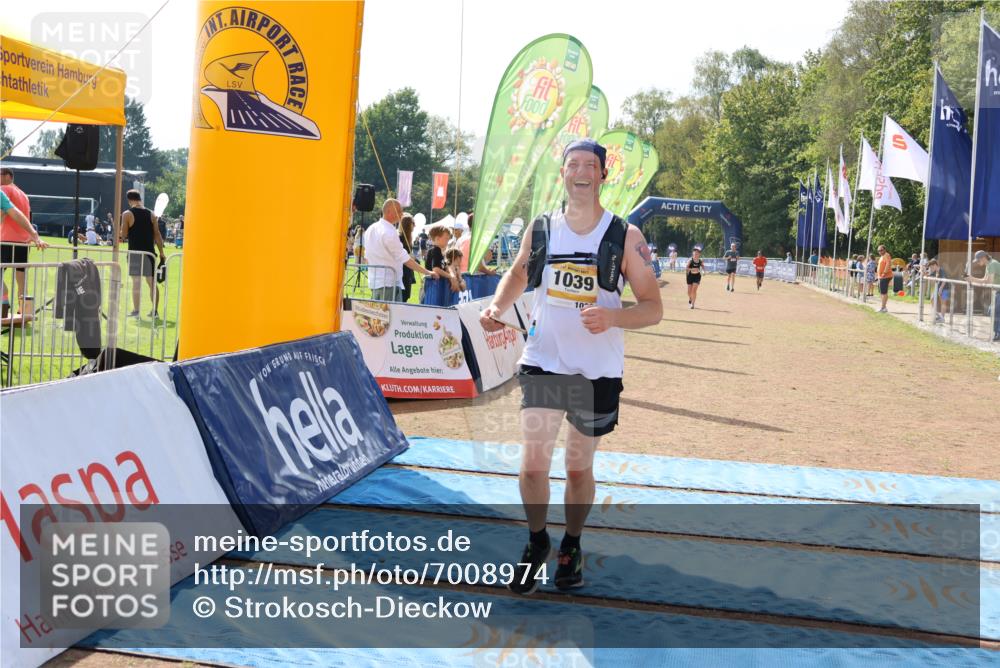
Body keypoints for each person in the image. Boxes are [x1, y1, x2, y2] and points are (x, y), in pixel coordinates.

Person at [479, 138, 662, 594]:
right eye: (573, 164)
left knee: (578, 469)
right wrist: (498, 307)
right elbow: (520, 272)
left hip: (596, 372)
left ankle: (572, 545)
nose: (581, 171)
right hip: (543, 362)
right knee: (533, 466)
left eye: (590, 165)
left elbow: (653, 307)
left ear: (603, 175)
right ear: (563, 173)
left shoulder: (625, 236)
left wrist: (615, 317)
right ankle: (537, 539)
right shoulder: (541, 229)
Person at [362, 199, 432, 301]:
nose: (401, 214)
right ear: (389, 211)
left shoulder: (371, 228)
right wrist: (427, 272)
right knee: (391, 316)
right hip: (389, 284)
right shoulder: (389, 232)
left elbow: (367, 257)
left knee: (378, 316)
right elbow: (405, 259)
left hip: (374, 282)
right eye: (399, 211)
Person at [1, 168, 47, 311]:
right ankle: (23, 312)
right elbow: (24, 215)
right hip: (23, 242)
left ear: (8, 176)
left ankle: (4, 300)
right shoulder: (24, 195)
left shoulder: (4, 189)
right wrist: (33, 235)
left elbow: (6, 212)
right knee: (21, 279)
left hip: (6, 240)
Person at [120, 189, 166, 318]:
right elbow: (157, 235)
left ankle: (136, 311)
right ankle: (155, 311)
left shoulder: (127, 214)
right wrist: (161, 252)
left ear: (129, 200)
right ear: (139, 198)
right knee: (152, 283)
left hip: (135, 252)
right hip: (149, 253)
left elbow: (123, 235)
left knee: (136, 282)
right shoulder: (152, 214)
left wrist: (120, 232)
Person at [966, 250, 1000, 342]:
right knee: (992, 312)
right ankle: (997, 333)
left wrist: (972, 279)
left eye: (978, 260)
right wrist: (972, 280)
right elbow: (985, 279)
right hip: (997, 292)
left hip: (998, 292)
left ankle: (998, 333)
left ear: (983, 258)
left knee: (992, 312)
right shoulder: (988, 265)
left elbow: (989, 281)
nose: (977, 262)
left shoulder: (992, 264)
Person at [424, 224, 462, 292]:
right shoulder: (436, 250)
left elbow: (445, 267)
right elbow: (436, 269)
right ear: (437, 239)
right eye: (446, 238)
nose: (448, 240)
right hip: (432, 288)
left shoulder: (439, 252)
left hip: (435, 287)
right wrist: (450, 276)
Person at [398, 213, 417, 303]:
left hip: (408, 271)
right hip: (402, 272)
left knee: (406, 296)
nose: (414, 225)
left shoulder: (409, 239)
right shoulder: (400, 238)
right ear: (408, 224)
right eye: (413, 223)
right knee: (403, 296)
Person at [925, 258, 950, 323]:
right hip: (938, 288)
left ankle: (942, 318)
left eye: (931, 267)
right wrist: (924, 273)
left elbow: (944, 280)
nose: (931, 268)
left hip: (945, 288)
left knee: (943, 303)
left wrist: (941, 288)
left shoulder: (941, 270)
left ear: (935, 265)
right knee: (932, 299)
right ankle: (937, 315)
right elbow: (929, 276)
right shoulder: (935, 271)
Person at [876, 245, 893, 312]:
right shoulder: (882, 257)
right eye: (879, 251)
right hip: (881, 277)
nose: (880, 252)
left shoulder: (886, 255)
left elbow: (888, 264)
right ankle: (883, 307)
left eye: (881, 250)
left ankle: (883, 308)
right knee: (882, 292)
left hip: (885, 276)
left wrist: (884, 273)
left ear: (885, 250)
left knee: (883, 292)